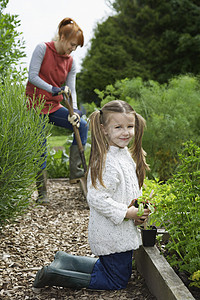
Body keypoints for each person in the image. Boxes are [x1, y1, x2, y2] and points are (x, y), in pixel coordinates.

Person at [32, 100, 150, 291]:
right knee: (116, 280)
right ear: (104, 130)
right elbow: (96, 198)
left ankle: (66, 261)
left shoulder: (124, 154)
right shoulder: (109, 162)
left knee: (109, 269)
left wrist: (138, 207)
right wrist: (127, 213)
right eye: (118, 127)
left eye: (130, 126)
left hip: (118, 232)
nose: (126, 132)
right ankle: (53, 275)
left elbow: (130, 186)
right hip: (112, 234)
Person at [26, 17, 88, 204]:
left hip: (53, 106)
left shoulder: (71, 62)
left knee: (83, 126)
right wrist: (51, 88)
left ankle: (75, 172)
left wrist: (75, 112)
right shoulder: (42, 49)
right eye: (72, 44)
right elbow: (32, 76)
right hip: (35, 105)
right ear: (62, 37)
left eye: (76, 46)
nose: (73, 49)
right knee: (40, 148)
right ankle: (42, 193)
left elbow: (71, 89)